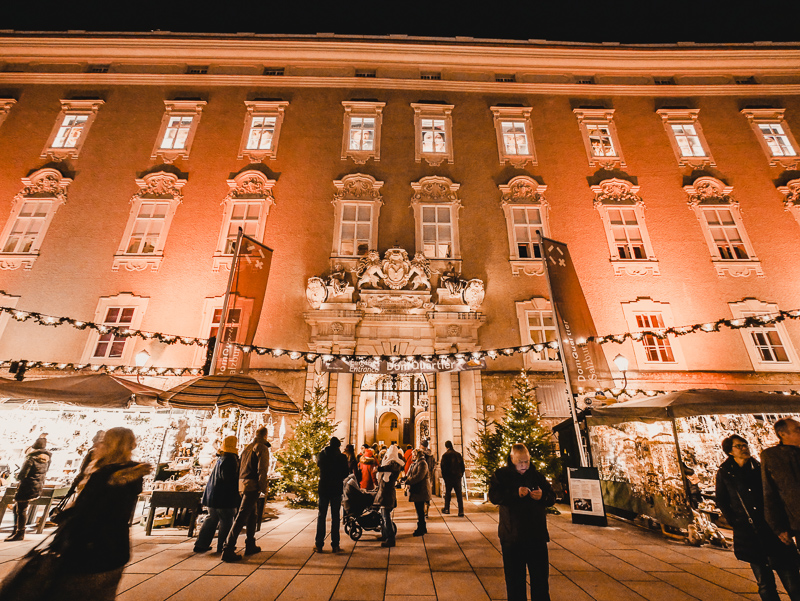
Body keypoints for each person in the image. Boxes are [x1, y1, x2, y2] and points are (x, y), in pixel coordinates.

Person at [1, 427, 152, 600]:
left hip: (86, 551)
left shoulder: (103, 476)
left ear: (110, 445)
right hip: (117, 548)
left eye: (103, 441)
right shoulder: (133, 475)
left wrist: (64, 519)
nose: (98, 444)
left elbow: (85, 514)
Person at [716, 434, 800, 601]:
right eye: (738, 446)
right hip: (749, 533)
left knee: (791, 578)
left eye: (745, 444)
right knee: (764, 582)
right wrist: (735, 521)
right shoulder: (725, 473)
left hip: (773, 528)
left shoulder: (760, 467)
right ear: (729, 451)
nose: (744, 448)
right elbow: (722, 500)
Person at [488, 443, 555, 601]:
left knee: (540, 583)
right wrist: (515, 493)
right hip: (512, 538)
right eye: (520, 462)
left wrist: (543, 496)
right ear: (512, 459)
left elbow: (552, 496)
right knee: (515, 584)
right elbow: (494, 496)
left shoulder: (537, 476)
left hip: (536, 537)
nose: (524, 465)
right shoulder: (501, 475)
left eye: (526, 461)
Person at [222, 426, 270, 562]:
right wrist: (263, 487)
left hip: (242, 484)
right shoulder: (262, 448)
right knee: (242, 515)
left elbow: (240, 466)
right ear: (266, 435)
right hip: (252, 484)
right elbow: (262, 469)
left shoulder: (247, 448)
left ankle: (250, 544)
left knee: (252, 515)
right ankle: (228, 548)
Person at [194, 436, 240, 553]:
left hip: (213, 495)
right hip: (224, 496)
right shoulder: (230, 459)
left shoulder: (222, 457)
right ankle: (224, 546)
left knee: (211, 518)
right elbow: (228, 479)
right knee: (226, 520)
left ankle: (201, 544)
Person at [762, 418, 800, 547]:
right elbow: (769, 493)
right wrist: (778, 527)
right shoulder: (772, 456)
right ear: (783, 434)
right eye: (797, 429)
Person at [6, 436, 51, 541]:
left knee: (21, 509)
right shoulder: (47, 460)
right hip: (36, 487)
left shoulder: (31, 458)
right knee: (18, 508)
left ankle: (19, 533)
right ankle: (16, 530)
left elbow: (22, 475)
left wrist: (17, 476)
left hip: (26, 487)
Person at [315, 437, 349, 553]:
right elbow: (346, 473)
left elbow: (318, 465)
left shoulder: (322, 455)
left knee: (321, 516)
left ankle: (319, 544)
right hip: (335, 489)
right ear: (338, 446)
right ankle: (335, 545)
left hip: (324, 488)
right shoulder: (342, 457)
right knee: (335, 517)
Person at [375, 444, 404, 548]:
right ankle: (385, 534)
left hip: (387, 494)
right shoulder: (389, 463)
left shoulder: (394, 464)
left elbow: (389, 468)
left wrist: (379, 469)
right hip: (384, 493)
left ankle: (390, 538)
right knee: (383, 516)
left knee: (386, 517)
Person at [405, 449, 431, 536]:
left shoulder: (422, 463)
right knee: (419, 510)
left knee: (420, 510)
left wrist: (408, 480)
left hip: (421, 490)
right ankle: (422, 527)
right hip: (417, 490)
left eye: (413, 454)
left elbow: (419, 476)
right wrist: (405, 479)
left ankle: (421, 528)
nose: (412, 456)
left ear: (417, 455)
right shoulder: (415, 463)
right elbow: (410, 474)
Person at [440, 440, 465, 516]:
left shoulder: (445, 455)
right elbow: (462, 466)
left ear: (446, 446)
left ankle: (447, 509)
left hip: (448, 477)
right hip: (457, 477)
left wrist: (445, 477)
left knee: (448, 493)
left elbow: (443, 468)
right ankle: (461, 511)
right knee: (459, 494)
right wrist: (460, 474)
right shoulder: (458, 454)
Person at [419, 440, 436, 516]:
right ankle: (427, 510)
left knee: (421, 493)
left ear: (422, 445)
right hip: (429, 474)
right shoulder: (431, 454)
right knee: (427, 492)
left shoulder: (421, 454)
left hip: (422, 475)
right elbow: (433, 464)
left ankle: (423, 510)